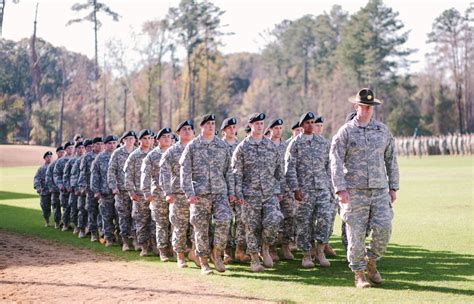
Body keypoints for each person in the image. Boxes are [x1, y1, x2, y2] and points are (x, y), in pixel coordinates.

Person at [330, 88, 399, 288]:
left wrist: (393, 186)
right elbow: (335, 160)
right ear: (356, 107)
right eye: (363, 106)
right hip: (354, 192)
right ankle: (359, 274)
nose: (367, 110)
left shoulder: (382, 131)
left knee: (384, 228)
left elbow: (391, 159)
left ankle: (372, 261)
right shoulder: (346, 132)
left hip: (379, 190)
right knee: (356, 234)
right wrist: (340, 188)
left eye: (370, 107)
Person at [180, 114, 235, 275]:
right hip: (200, 194)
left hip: (220, 192)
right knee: (201, 228)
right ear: (202, 126)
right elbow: (185, 172)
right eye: (208, 124)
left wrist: (231, 192)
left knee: (225, 220)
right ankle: (204, 262)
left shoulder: (222, 145)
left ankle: (217, 253)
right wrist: (189, 193)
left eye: (213, 123)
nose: (211, 126)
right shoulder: (193, 146)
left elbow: (229, 171)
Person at [232, 112, 284, 272]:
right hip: (249, 195)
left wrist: (279, 190)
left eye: (262, 124)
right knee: (251, 227)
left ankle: (266, 247)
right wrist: (239, 194)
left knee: (274, 220)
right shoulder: (242, 148)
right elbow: (237, 173)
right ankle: (254, 259)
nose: (260, 126)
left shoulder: (270, 146)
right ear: (251, 126)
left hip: (269, 194)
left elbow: (279, 171)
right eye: (257, 124)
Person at [285, 112, 333, 268]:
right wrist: (295, 188)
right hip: (304, 190)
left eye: (312, 122)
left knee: (325, 218)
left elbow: (329, 167)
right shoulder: (295, 144)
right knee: (304, 222)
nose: (310, 125)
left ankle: (320, 251)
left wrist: (330, 187)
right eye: (307, 122)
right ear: (301, 125)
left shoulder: (323, 143)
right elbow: (290, 168)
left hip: (322, 189)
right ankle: (306, 255)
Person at [160, 120, 196, 268]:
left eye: (189, 129)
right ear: (178, 133)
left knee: (198, 226)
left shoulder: (197, 148)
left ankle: (195, 252)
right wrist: (168, 192)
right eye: (184, 129)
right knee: (179, 226)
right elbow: (164, 173)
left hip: (196, 194)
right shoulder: (171, 151)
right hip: (179, 194)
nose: (187, 131)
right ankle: (180, 255)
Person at [141, 127, 173, 262]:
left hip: (174, 193)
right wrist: (147, 193)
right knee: (161, 223)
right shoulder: (152, 155)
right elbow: (145, 176)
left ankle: (175, 248)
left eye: (169, 136)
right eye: (164, 136)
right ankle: (162, 250)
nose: (167, 139)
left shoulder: (175, 152)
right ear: (158, 140)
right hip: (158, 194)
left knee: (175, 223)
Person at [221, 117, 249, 264]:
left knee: (241, 220)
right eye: (229, 127)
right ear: (224, 130)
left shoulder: (240, 145)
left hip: (239, 189)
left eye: (234, 127)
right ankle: (226, 252)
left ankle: (240, 250)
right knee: (226, 221)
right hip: (223, 190)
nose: (232, 130)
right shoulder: (220, 145)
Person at [268, 118, 295, 261]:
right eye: (276, 128)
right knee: (273, 218)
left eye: (280, 128)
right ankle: (271, 248)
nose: (279, 130)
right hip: (271, 189)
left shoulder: (287, 146)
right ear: (270, 130)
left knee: (290, 215)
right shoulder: (266, 145)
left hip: (286, 188)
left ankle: (285, 245)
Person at [124, 129, 154, 256]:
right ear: (139, 140)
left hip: (154, 195)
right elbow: (128, 176)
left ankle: (156, 246)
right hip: (139, 194)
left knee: (154, 222)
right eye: (145, 138)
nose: (148, 141)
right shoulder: (134, 156)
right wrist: (131, 192)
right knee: (141, 222)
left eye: (150, 138)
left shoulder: (154, 154)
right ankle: (144, 247)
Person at [108, 130, 138, 251]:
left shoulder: (138, 152)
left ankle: (136, 240)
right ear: (123, 140)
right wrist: (113, 186)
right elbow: (111, 170)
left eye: (132, 138)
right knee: (123, 216)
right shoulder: (117, 153)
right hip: (121, 190)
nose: (130, 140)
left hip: (136, 190)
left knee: (136, 216)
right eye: (128, 138)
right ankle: (125, 241)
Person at [91, 135, 118, 247]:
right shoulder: (99, 158)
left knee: (120, 217)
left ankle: (121, 237)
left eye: (114, 143)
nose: (112, 145)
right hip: (105, 192)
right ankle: (108, 238)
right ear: (105, 145)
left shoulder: (119, 155)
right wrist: (96, 191)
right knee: (106, 217)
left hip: (119, 192)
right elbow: (95, 176)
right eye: (109, 143)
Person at [78, 137, 103, 241]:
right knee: (91, 211)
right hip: (90, 189)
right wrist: (82, 187)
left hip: (103, 189)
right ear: (93, 146)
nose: (100, 146)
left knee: (102, 212)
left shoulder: (105, 155)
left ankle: (102, 232)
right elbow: (82, 173)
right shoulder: (87, 157)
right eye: (98, 144)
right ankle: (92, 233)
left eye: (101, 144)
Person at [54, 141, 75, 231]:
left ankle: (76, 224)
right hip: (65, 189)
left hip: (74, 188)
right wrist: (60, 184)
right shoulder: (61, 161)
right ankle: (65, 224)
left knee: (74, 207)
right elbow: (56, 174)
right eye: (69, 148)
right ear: (65, 149)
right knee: (66, 207)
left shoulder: (76, 159)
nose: (71, 149)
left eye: (72, 147)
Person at [46, 146, 65, 228]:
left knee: (65, 206)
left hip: (65, 189)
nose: (62, 153)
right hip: (56, 190)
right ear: (57, 153)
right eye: (60, 152)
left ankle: (64, 222)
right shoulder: (53, 164)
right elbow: (48, 177)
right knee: (56, 207)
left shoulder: (66, 161)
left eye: (63, 152)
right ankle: (57, 222)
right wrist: (51, 187)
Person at [34, 151, 53, 227]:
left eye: (50, 157)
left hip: (54, 191)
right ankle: (47, 221)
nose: (49, 158)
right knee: (45, 208)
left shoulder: (54, 166)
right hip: (44, 191)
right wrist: (38, 187)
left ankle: (58, 222)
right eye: (48, 157)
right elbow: (36, 178)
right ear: (45, 158)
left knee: (56, 207)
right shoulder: (41, 169)